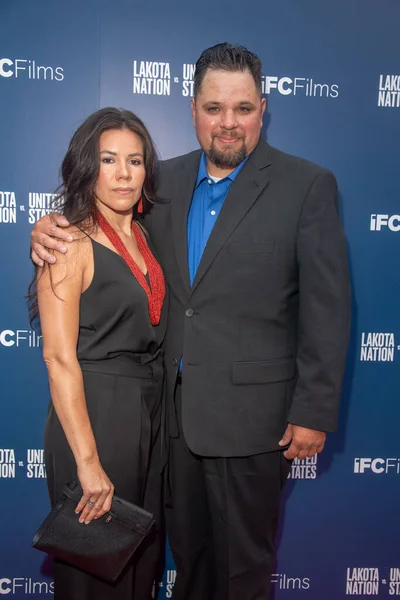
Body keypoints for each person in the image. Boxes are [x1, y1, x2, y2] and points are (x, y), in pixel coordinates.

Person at [31, 43, 351, 600]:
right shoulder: (160, 184)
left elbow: (327, 307)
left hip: (253, 425)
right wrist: (47, 227)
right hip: (166, 426)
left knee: (241, 569)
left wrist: (313, 411)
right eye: (214, 108)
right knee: (178, 562)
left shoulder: (307, 186)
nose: (228, 123)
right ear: (193, 108)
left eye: (243, 108)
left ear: (263, 108)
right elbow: (101, 230)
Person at [28, 107, 166, 600]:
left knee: (138, 568)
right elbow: (59, 359)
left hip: (147, 418)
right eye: (109, 160)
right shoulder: (67, 243)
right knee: (93, 576)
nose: (124, 173)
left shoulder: (147, 236)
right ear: (89, 167)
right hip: (96, 415)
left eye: (135, 160)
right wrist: (87, 463)